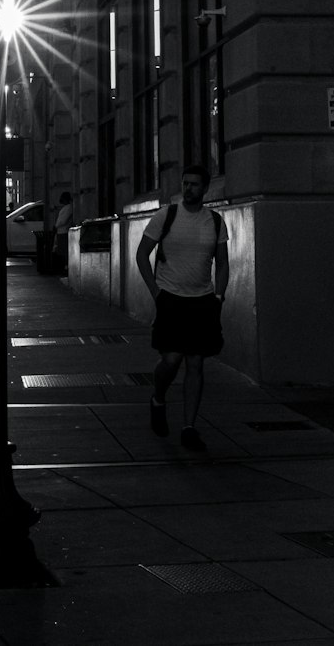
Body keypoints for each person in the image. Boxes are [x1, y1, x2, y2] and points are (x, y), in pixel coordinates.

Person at [135, 163, 229, 453]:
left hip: (202, 301)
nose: (188, 189)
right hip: (171, 298)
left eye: (194, 184)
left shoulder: (214, 221)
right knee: (172, 361)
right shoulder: (167, 216)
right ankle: (158, 397)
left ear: (205, 188)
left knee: (196, 364)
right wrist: (156, 292)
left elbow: (222, 262)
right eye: (185, 183)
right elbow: (141, 255)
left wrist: (219, 296)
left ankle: (189, 427)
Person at [53, 191, 73, 274]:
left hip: (63, 231)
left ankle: (66, 267)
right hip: (61, 231)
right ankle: (65, 266)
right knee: (62, 250)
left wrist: (56, 225)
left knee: (64, 250)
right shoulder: (67, 208)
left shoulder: (68, 208)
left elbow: (63, 220)